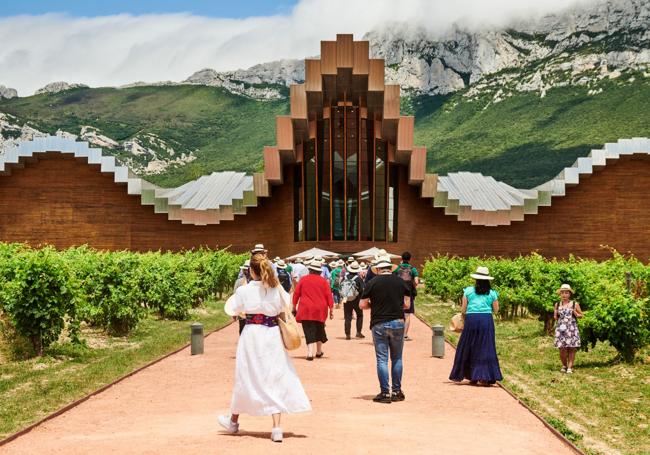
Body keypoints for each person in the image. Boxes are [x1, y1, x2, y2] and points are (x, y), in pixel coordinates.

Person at [219, 254, 311, 442]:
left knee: (246, 375)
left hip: (252, 334)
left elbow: (231, 309)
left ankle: (233, 421)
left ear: (252, 271)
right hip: (272, 335)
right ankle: (276, 427)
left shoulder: (244, 290)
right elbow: (287, 305)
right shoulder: (276, 289)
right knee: (274, 375)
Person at [359, 255, 411, 404]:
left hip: (379, 323)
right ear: (390, 268)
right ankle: (396, 391)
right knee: (397, 358)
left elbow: (362, 305)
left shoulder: (372, 283)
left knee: (382, 359)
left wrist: (373, 306)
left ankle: (384, 392)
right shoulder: (401, 282)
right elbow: (407, 305)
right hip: (398, 322)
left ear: (378, 269)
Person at [449, 266, 503, 386]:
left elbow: (463, 309)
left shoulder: (468, 291)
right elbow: (496, 310)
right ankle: (485, 376)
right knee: (486, 347)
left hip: (472, 319)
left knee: (469, 345)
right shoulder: (492, 293)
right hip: (486, 320)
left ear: (476, 279)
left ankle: (471, 375)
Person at [293, 259, 334, 360]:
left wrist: (294, 306)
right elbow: (329, 296)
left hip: (306, 308)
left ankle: (310, 353)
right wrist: (331, 309)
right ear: (320, 272)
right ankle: (319, 351)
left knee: (308, 330)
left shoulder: (303, 279)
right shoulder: (324, 281)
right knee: (319, 328)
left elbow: (296, 294)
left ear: (310, 270)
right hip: (320, 309)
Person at [554, 284, 583, 374]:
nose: (564, 295)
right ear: (560, 294)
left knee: (572, 348)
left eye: (566, 293)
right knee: (562, 348)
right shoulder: (557, 304)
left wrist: (576, 313)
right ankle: (564, 365)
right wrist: (555, 314)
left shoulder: (574, 304)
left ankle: (570, 367)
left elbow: (581, 315)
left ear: (569, 294)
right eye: (562, 293)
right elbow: (555, 317)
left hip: (571, 328)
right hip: (561, 329)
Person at [394, 252, 419, 340]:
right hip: (408, 294)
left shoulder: (397, 268)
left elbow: (393, 278)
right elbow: (416, 282)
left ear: (401, 258)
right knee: (407, 315)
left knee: (397, 313)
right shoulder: (413, 269)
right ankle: (404, 335)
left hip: (398, 293)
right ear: (410, 259)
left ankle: (397, 333)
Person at [340, 261, 365, 340]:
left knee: (347, 317)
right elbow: (362, 290)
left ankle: (348, 334)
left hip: (346, 299)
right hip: (356, 299)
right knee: (360, 315)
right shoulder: (358, 279)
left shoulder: (345, 277)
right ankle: (358, 332)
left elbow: (341, 287)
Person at [233, 260, 251, 334]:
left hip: (242, 310)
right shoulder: (255, 282)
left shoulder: (238, 281)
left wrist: (234, 312)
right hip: (251, 311)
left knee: (242, 329)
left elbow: (234, 296)